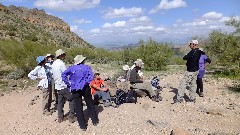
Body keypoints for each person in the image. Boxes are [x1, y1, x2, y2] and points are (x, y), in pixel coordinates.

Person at [62, 55, 99, 131]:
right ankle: (95, 121)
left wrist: (69, 83)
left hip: (75, 89)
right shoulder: (87, 67)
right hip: (85, 88)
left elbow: (63, 75)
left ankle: (83, 126)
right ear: (82, 61)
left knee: (78, 106)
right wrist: (86, 82)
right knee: (90, 104)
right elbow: (91, 77)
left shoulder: (71, 68)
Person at [51, 49, 75, 123]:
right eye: (64, 54)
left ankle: (60, 117)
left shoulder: (54, 63)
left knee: (60, 102)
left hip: (57, 86)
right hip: (63, 85)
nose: (65, 56)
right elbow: (66, 74)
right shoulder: (61, 64)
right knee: (72, 99)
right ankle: (71, 117)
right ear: (61, 55)